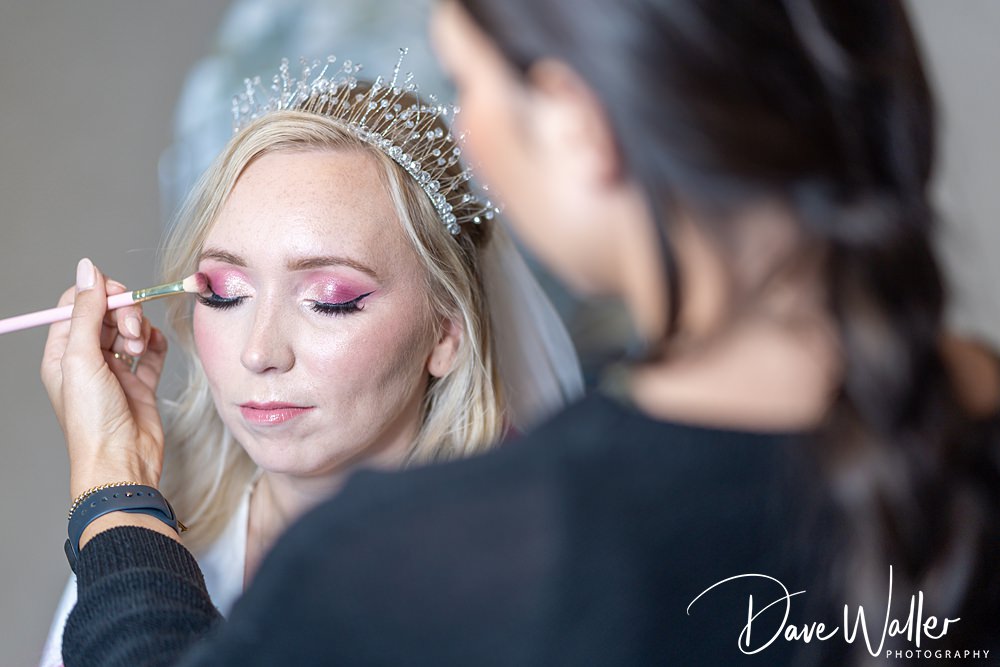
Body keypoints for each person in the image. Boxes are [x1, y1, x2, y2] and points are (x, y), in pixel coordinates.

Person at [44, 0, 1000, 665]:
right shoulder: (955, 420)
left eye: (470, 83)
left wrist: (110, 492)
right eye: (220, 290)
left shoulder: (453, 554)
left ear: (582, 127)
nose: (467, 129)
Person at [39, 54, 581, 666]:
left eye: (331, 300)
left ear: (445, 333)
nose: (259, 351)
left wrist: (112, 496)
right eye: (225, 293)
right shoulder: (155, 529)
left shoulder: (513, 593)